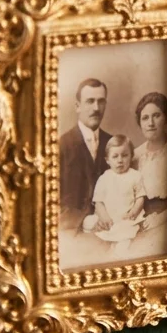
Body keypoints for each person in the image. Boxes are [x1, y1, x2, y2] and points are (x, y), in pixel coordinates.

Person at [58, 78, 113, 225]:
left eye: (101, 101)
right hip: (72, 232)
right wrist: (82, 221)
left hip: (110, 229)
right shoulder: (61, 146)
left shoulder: (113, 143)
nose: (96, 108)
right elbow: (51, 199)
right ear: (78, 106)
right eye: (90, 101)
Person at [132, 92, 167, 230]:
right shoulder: (136, 155)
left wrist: (159, 220)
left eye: (156, 116)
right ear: (140, 123)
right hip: (141, 220)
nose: (150, 123)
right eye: (145, 118)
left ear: (166, 118)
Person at [81, 135, 147, 249]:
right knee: (89, 221)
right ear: (108, 160)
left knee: (126, 231)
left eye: (125, 155)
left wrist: (134, 212)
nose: (120, 160)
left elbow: (140, 197)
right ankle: (103, 243)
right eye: (115, 156)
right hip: (108, 218)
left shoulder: (135, 176)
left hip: (125, 217)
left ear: (131, 156)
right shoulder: (104, 178)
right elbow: (98, 202)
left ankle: (119, 248)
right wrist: (104, 216)